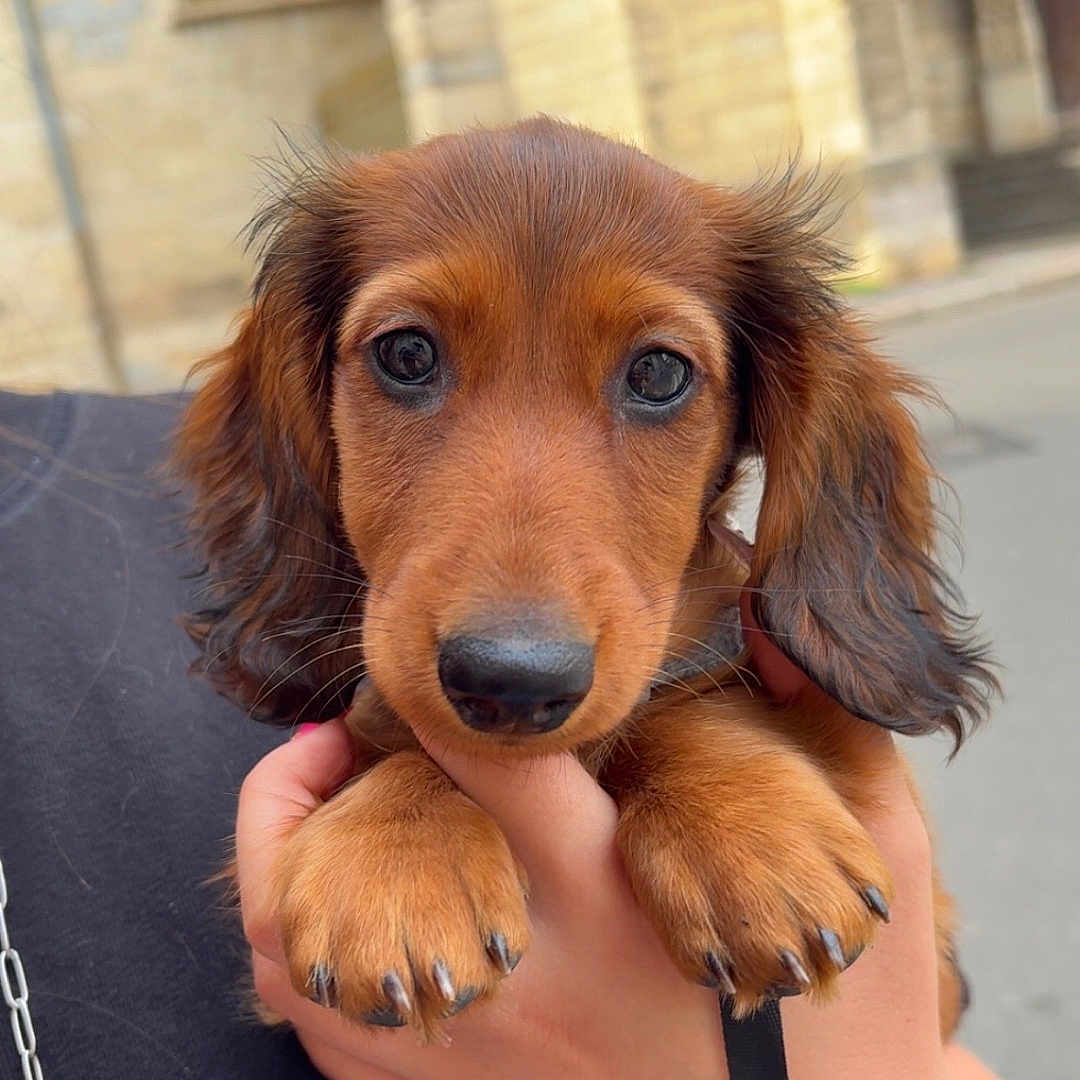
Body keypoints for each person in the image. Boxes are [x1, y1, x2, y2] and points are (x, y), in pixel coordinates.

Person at [0, 389, 999, 1078]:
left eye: (657, 378)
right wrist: (399, 802)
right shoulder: (256, 470)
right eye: (407, 361)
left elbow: (936, 1031)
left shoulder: (119, 472)